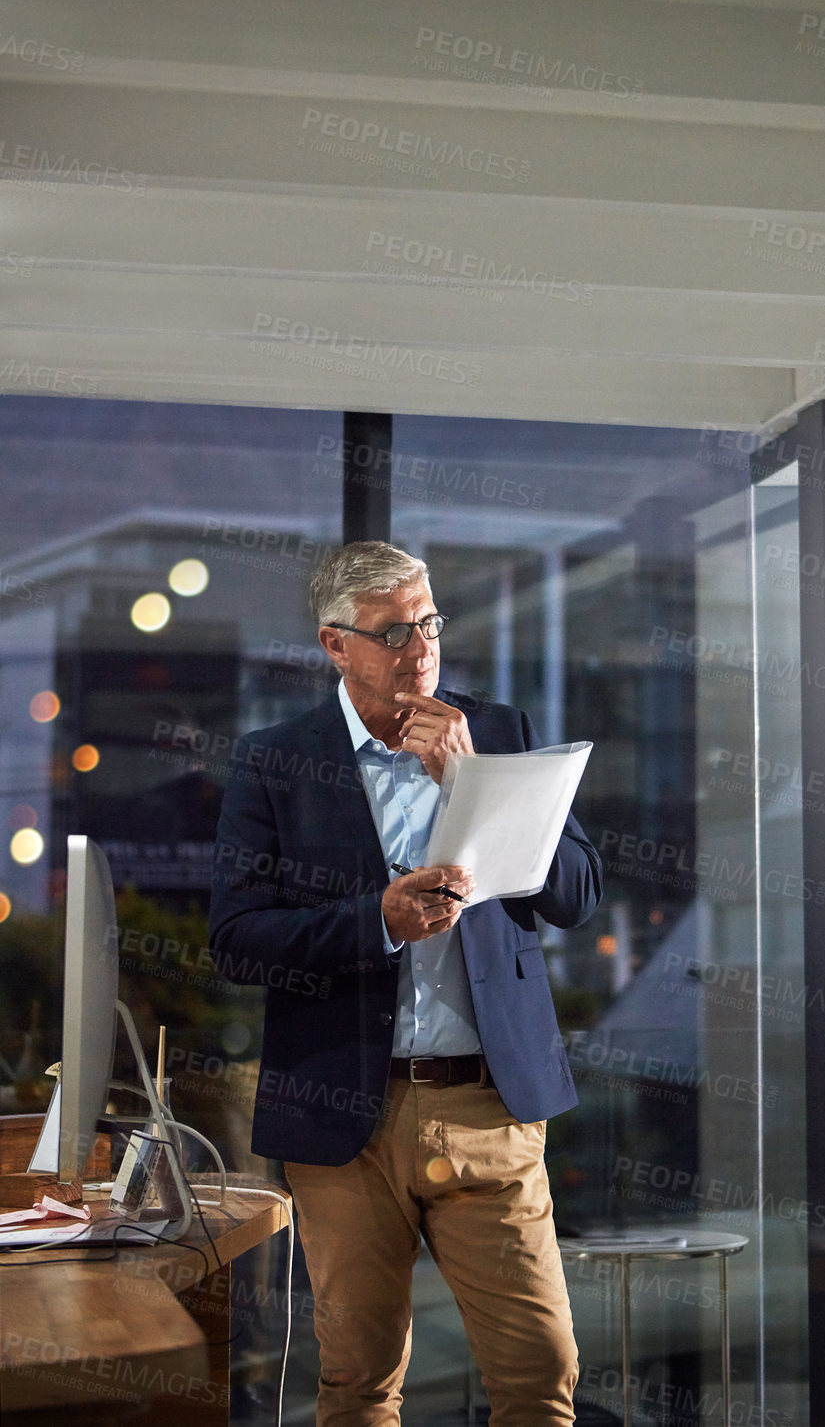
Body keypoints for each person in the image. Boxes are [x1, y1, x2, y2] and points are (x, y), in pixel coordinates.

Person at [209, 541, 601, 1426]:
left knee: (543, 1378)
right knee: (357, 1385)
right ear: (336, 645)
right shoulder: (276, 762)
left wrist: (472, 783)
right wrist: (376, 922)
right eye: (392, 634)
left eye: (428, 623)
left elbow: (578, 894)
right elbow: (236, 941)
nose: (420, 650)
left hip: (488, 1109)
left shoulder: (498, 735)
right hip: (346, 1118)